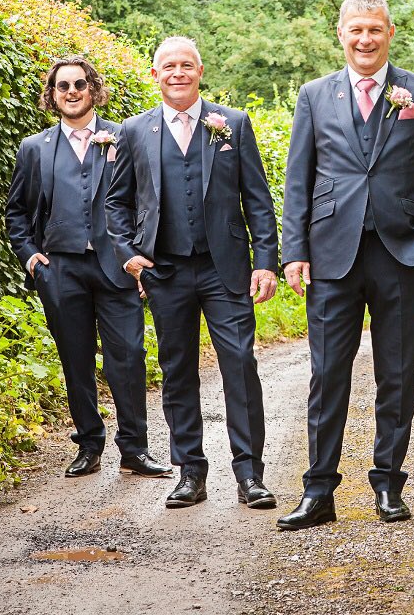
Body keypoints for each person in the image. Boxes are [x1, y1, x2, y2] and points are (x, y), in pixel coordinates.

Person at [276, 0, 414, 530]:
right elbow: (298, 181)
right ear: (341, 34)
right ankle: (318, 491)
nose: (365, 39)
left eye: (374, 30)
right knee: (327, 373)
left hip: (402, 253)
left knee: (397, 373)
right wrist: (294, 252)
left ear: (390, 33)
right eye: (356, 30)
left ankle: (387, 485)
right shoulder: (314, 96)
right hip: (331, 254)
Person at [104, 36, 281, 509]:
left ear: (200, 70)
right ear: (155, 74)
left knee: (240, 365)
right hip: (165, 272)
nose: (177, 73)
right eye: (168, 66)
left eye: (186, 65)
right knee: (177, 369)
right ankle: (190, 473)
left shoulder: (233, 124)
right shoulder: (134, 131)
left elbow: (258, 201)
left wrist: (266, 261)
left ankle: (249, 474)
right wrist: (128, 252)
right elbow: (115, 202)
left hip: (225, 268)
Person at [5, 55, 171, 479]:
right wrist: (30, 257)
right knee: (75, 359)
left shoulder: (126, 137)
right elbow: (17, 214)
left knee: (128, 357)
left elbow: (148, 202)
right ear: (53, 95)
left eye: (80, 84)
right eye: (63, 86)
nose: (72, 92)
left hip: (117, 269)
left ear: (93, 90)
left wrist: (141, 257)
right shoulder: (34, 149)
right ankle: (88, 444)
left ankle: (135, 448)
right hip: (59, 270)